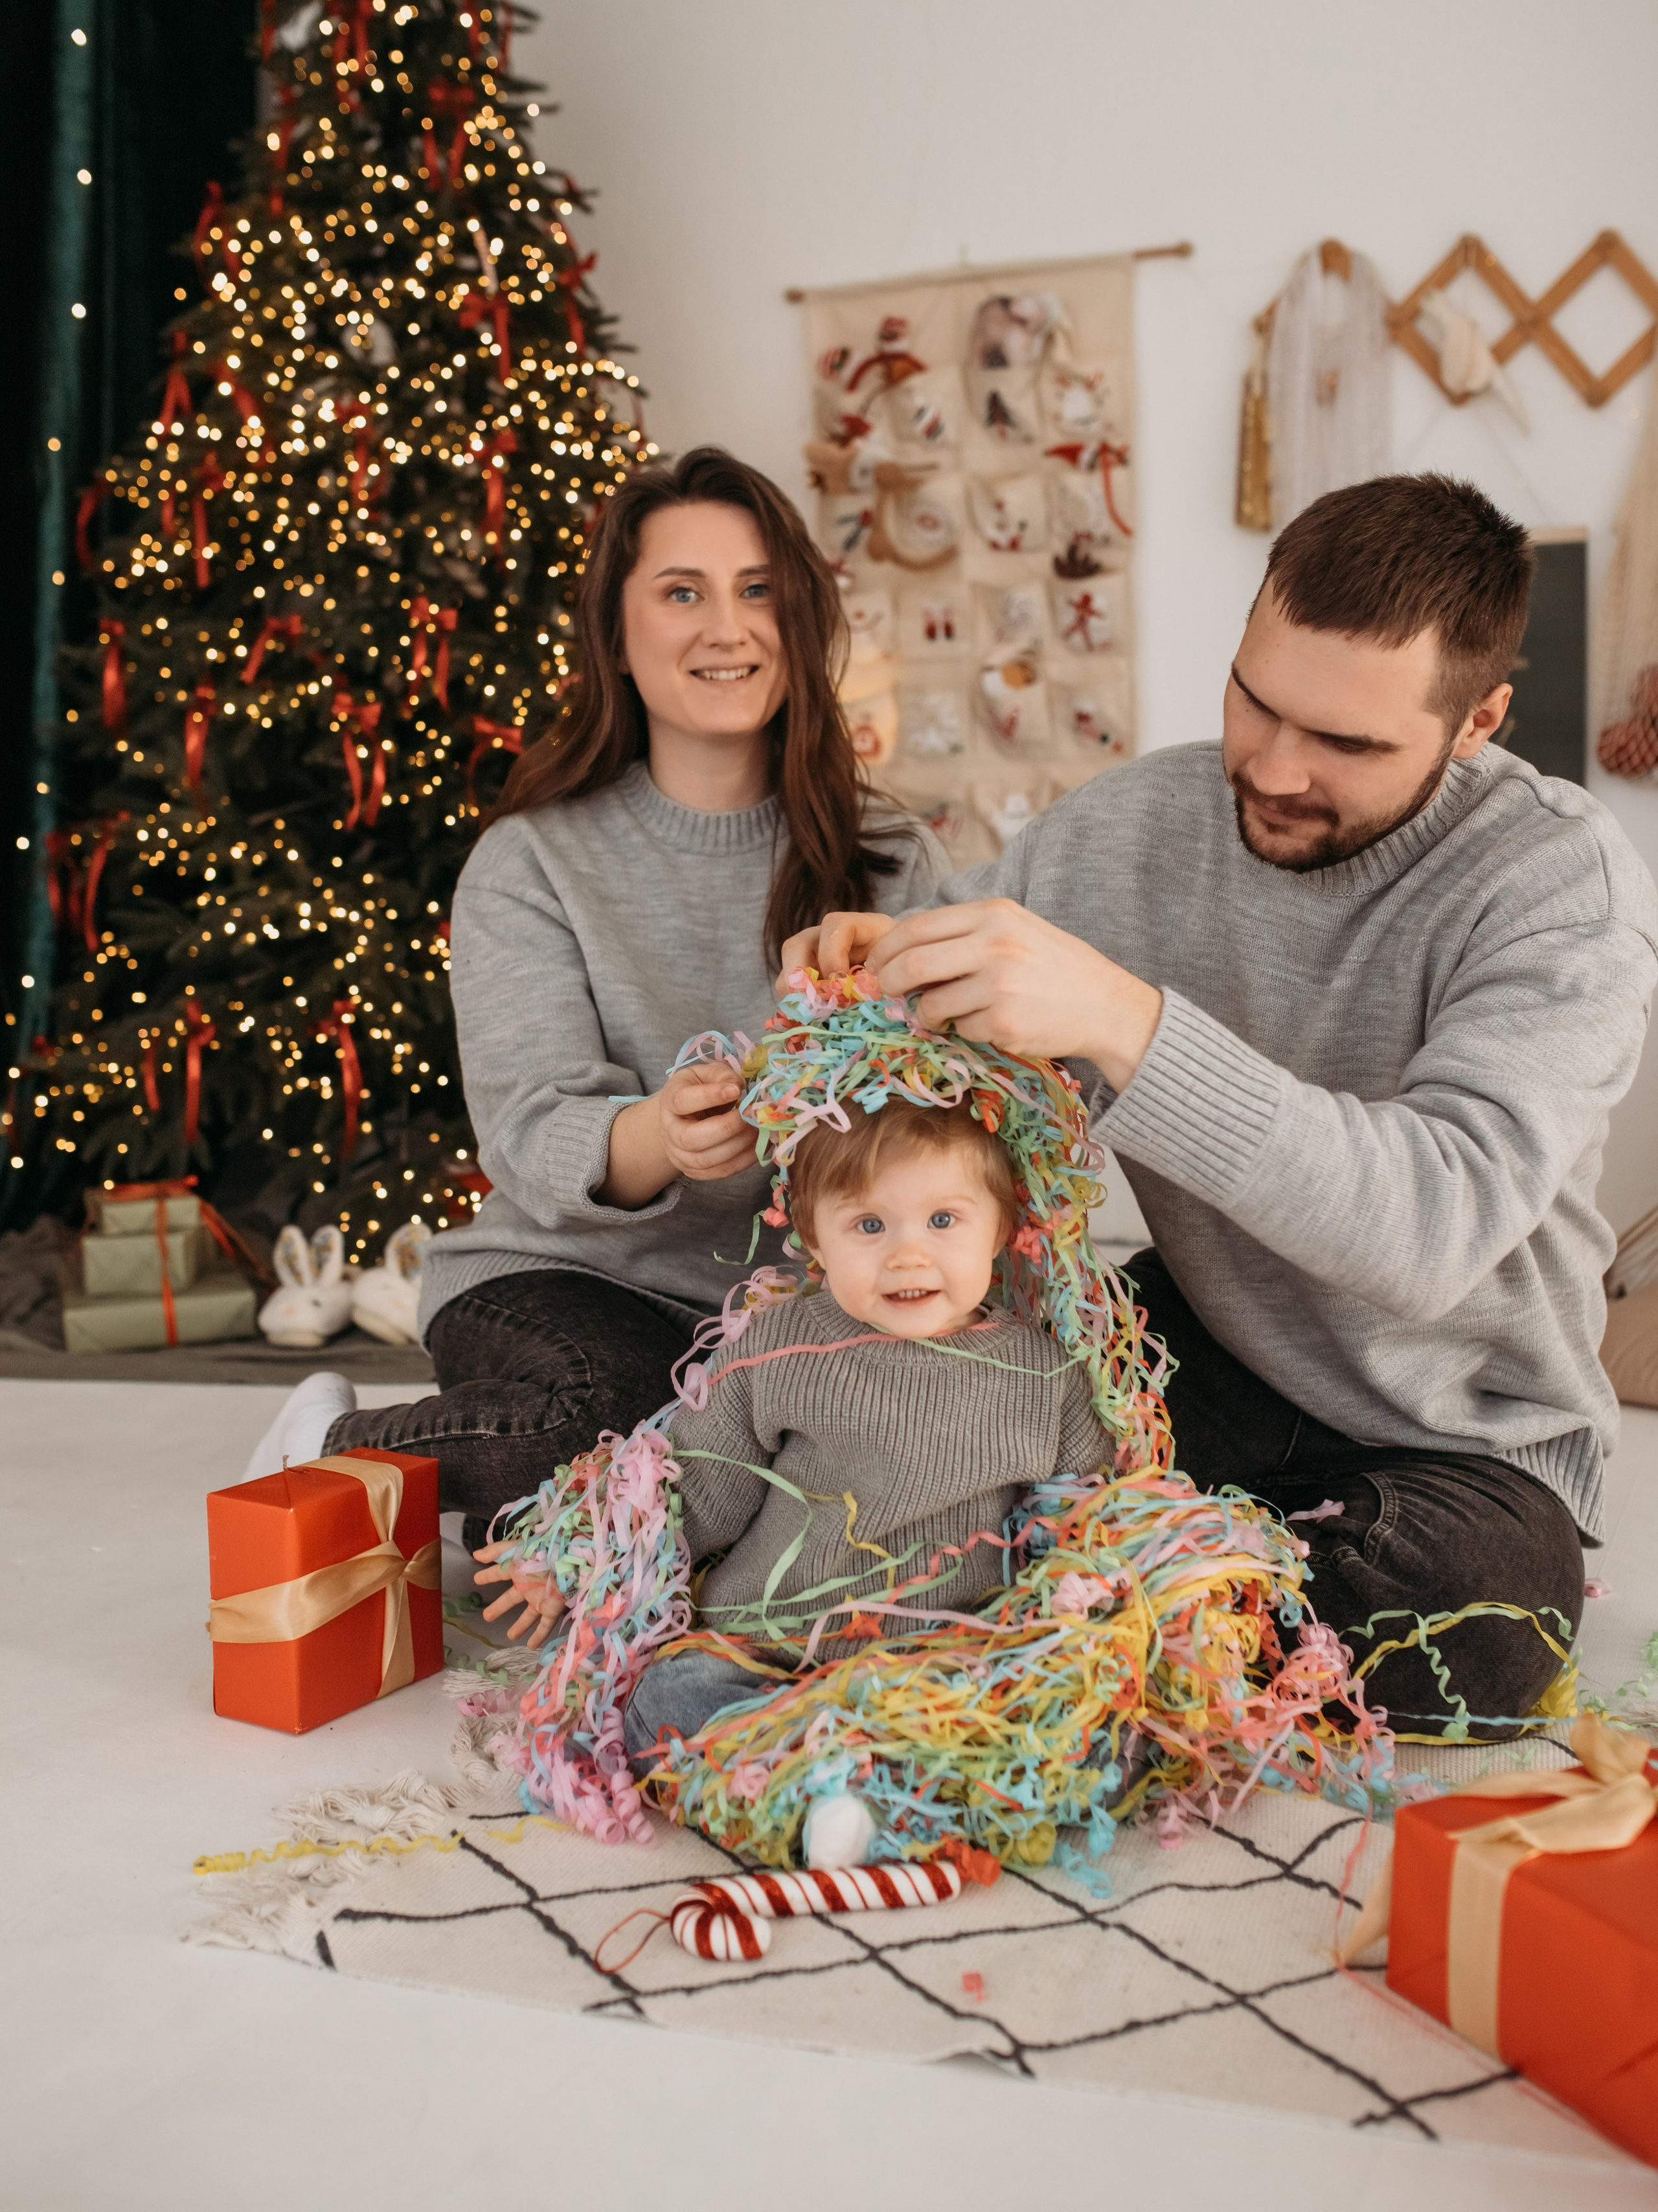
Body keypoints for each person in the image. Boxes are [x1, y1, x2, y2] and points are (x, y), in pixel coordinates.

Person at [786, 473, 1658, 1733]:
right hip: (1193, 1356)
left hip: (1457, 1430)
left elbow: (1429, 1232)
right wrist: (884, 976)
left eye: (1348, 743)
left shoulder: (1557, 882)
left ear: (1477, 723)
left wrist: (1123, 1022)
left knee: (1476, 1638)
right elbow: (945, 1020)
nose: (1275, 767)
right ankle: (1110, 1595)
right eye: (1256, 700)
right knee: (886, 1416)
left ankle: (1053, 1607)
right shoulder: (1129, 824)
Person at [242, 447, 940, 1537]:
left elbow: (965, 1112)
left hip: (807, 1304)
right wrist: (662, 1134)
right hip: (572, 1281)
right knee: (607, 1425)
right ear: (617, 639)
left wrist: (904, 1007)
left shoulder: (893, 859)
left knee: (918, 1439)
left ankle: (560, 1528)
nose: (728, 628)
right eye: (682, 593)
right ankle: (328, 1447)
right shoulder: (531, 861)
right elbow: (530, 1130)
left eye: (759, 591)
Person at [478, 1091, 1117, 1868]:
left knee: (1095, 1732)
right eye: (869, 1226)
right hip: (769, 1650)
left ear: (1004, 1229)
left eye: (944, 1222)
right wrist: (579, 1556)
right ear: (814, 1235)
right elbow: (694, 1491)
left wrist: (1084, 1611)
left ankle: (858, 1793)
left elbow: (1086, 1518)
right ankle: (835, 1794)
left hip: (941, 1661)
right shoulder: (779, 1351)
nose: (908, 1255)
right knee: (663, 1705)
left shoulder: (1042, 1373)